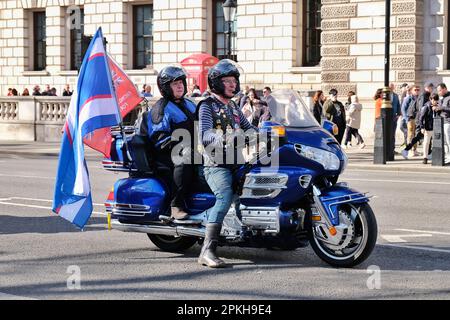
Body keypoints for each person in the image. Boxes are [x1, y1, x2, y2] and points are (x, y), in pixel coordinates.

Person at [197, 59, 257, 268]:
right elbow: (205, 134)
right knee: (224, 197)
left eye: (234, 81)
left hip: (238, 163)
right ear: (216, 83)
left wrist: (270, 135)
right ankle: (207, 251)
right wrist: (224, 138)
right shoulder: (207, 106)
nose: (232, 85)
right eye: (228, 81)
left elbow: (250, 129)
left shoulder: (233, 107)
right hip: (216, 165)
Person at [137, 66, 197, 220]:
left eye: (181, 82)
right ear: (165, 87)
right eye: (174, 83)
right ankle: (176, 204)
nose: (179, 86)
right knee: (186, 157)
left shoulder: (189, 104)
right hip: (167, 154)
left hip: (193, 148)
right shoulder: (161, 109)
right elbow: (161, 139)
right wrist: (187, 145)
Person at [401, 84, 421, 156]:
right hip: (410, 118)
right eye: (415, 90)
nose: (417, 91)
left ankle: (414, 150)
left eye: (418, 90)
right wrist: (406, 119)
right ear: (412, 91)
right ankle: (409, 150)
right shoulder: (408, 98)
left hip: (417, 119)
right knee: (410, 135)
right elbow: (403, 109)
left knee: (416, 134)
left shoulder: (419, 98)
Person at [435, 83, 450, 162]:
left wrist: (441, 108)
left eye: (440, 90)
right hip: (442, 122)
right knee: (444, 142)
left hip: (448, 122)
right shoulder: (442, 98)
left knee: (449, 141)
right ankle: (447, 157)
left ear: (444, 88)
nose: (438, 92)